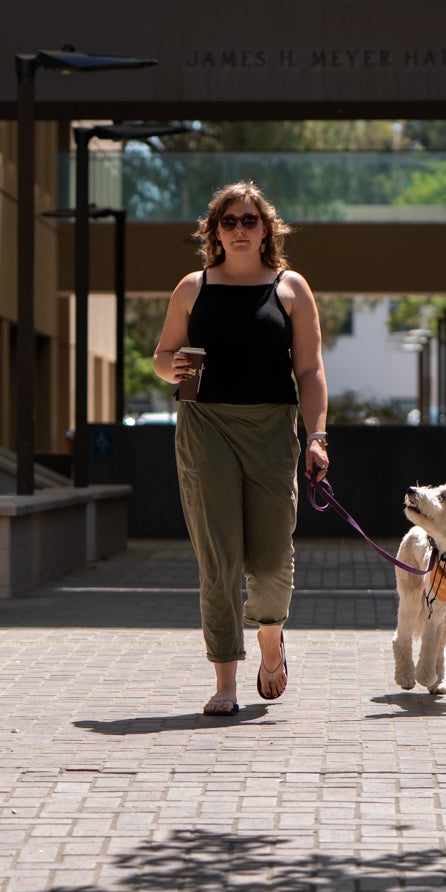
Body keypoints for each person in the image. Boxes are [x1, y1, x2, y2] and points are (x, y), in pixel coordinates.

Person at [152, 180, 329, 716]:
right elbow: (162, 357)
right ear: (215, 232)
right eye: (229, 221)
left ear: (266, 229)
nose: (240, 229)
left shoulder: (290, 287)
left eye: (249, 220)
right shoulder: (192, 288)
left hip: (273, 431)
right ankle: (225, 679)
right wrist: (171, 366)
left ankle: (271, 638)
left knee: (273, 559)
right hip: (205, 428)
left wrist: (317, 437)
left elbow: (311, 370)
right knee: (220, 559)